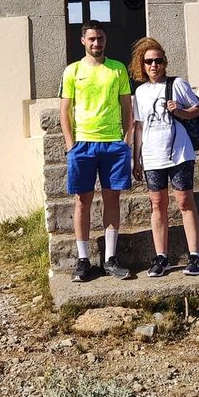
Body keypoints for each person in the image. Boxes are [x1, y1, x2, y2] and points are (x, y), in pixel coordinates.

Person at [60, 21, 133, 282]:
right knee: (82, 201)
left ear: (105, 40)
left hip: (113, 143)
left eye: (100, 38)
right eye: (91, 38)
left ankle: (110, 259)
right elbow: (65, 110)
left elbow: (127, 107)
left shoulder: (117, 69)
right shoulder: (72, 71)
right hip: (83, 144)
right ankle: (82, 260)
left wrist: (127, 139)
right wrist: (70, 144)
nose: (96, 43)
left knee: (112, 200)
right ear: (83, 41)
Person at [130, 37, 199, 277]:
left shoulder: (178, 84)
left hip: (180, 153)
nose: (154, 65)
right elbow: (139, 126)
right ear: (142, 65)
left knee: (184, 201)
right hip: (153, 155)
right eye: (148, 61)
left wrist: (180, 111)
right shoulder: (140, 92)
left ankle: (195, 255)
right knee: (157, 204)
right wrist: (136, 158)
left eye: (158, 60)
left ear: (165, 62)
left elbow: (198, 109)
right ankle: (161, 257)